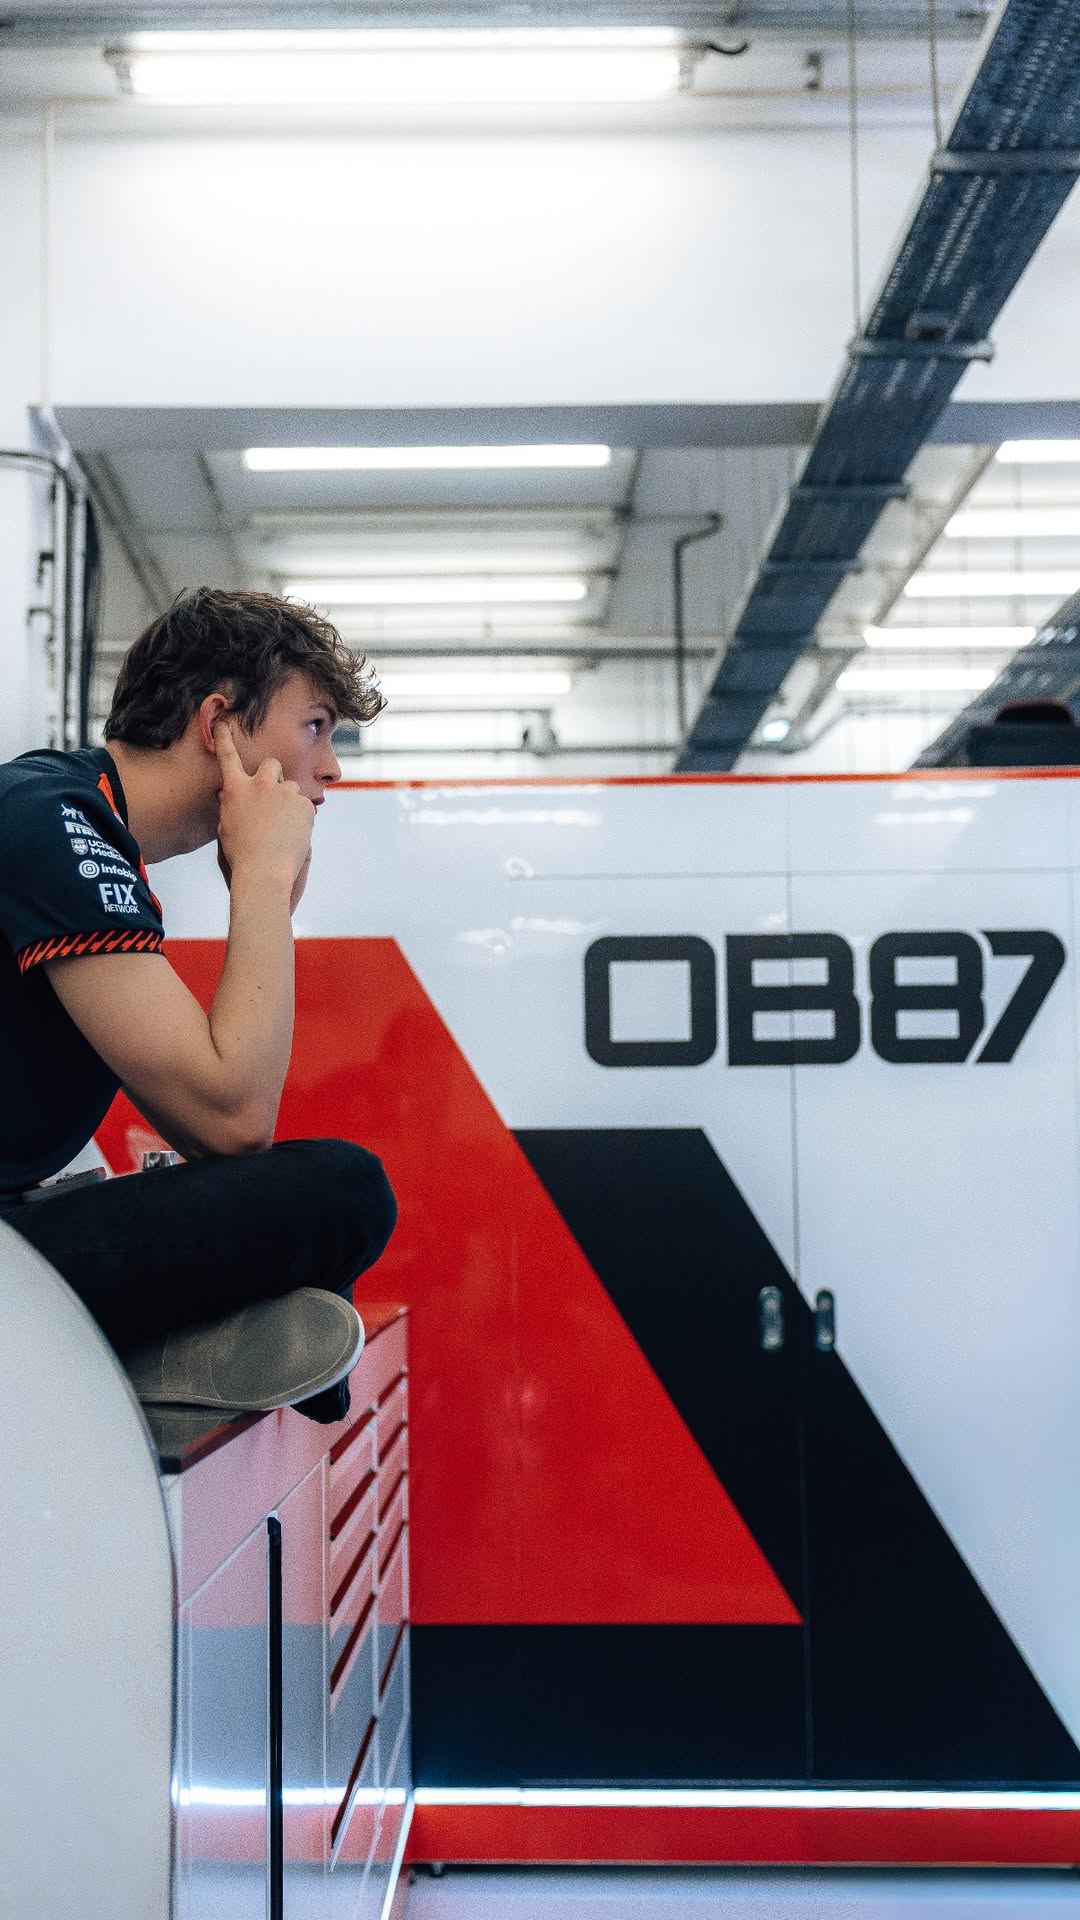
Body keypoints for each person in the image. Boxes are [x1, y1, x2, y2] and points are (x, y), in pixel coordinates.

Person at [0, 587, 398, 1422]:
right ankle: (139, 1351)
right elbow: (230, 1119)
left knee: (318, 1195)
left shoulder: (82, 818)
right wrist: (260, 885)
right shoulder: (53, 819)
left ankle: (155, 1345)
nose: (330, 768)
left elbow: (216, 1124)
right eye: (315, 726)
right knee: (346, 1192)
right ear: (218, 722)